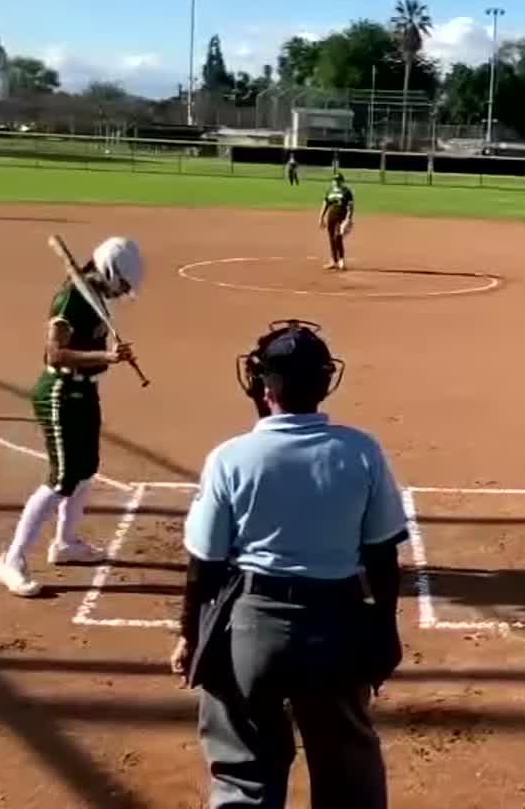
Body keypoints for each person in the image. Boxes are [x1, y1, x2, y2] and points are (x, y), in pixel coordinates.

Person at [173, 320, 406, 809]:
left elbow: (204, 565)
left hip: (252, 627)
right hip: (337, 626)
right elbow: (383, 555)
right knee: (347, 769)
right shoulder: (360, 451)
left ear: (261, 384)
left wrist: (191, 634)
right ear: (325, 383)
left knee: (242, 770)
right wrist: (385, 629)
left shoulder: (230, 458)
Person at [0, 237, 144, 598]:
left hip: (85, 391)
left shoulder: (98, 297)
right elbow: (55, 354)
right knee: (63, 477)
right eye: (121, 284)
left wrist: (106, 357)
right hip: (59, 393)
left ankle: (66, 543)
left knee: (86, 469)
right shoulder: (70, 298)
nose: (123, 292)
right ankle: (11, 560)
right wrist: (107, 358)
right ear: (108, 271)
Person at [319, 174, 355, 271]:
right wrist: (321, 217)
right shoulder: (330, 191)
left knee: (337, 237)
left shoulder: (346, 191)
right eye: (335, 180)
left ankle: (341, 260)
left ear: (342, 181)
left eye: (338, 180)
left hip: (341, 217)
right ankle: (333, 261)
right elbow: (325, 203)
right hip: (331, 217)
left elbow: (350, 206)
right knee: (331, 238)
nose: (336, 182)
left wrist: (348, 218)